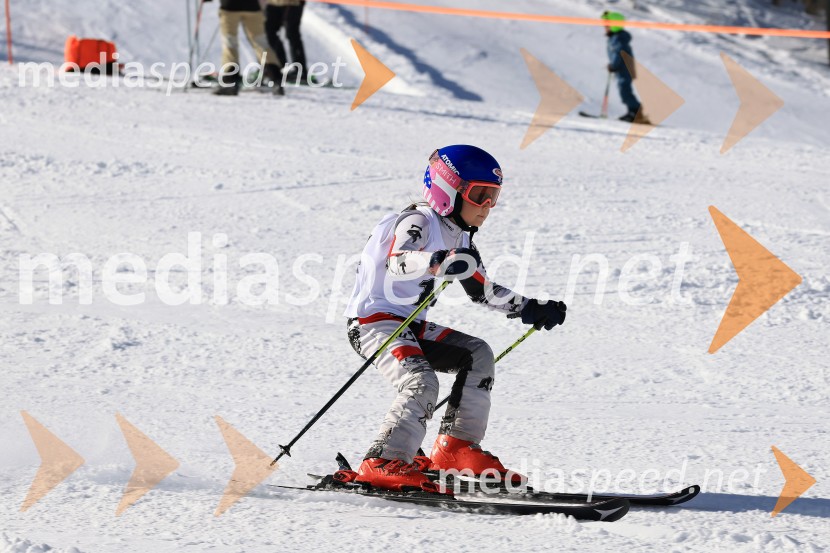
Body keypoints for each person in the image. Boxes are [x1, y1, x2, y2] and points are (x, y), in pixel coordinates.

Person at [343, 145, 567, 492]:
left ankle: (456, 449)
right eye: (480, 195)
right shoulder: (418, 221)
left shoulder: (460, 236)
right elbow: (397, 261)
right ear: (449, 190)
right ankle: (383, 460)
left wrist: (530, 308)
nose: (487, 207)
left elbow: (482, 291)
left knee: (477, 355)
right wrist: (435, 260)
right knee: (421, 381)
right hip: (373, 323)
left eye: (493, 197)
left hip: (410, 325)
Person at [214, 0, 283, 96]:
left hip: (229, 7)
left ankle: (230, 82)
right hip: (253, 8)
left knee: (230, 45)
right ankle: (276, 78)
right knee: (261, 44)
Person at [602, 11, 649, 123]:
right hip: (621, 68)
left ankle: (636, 111)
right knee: (624, 90)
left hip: (624, 68)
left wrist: (614, 65)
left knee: (624, 91)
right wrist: (612, 65)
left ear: (614, 25)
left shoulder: (619, 38)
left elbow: (620, 53)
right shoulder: (615, 37)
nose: (605, 27)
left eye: (607, 25)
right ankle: (632, 112)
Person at [263, 0, 308, 84]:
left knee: (292, 34)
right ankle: (278, 66)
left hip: (292, 3)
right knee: (269, 33)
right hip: (273, 3)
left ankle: (300, 72)